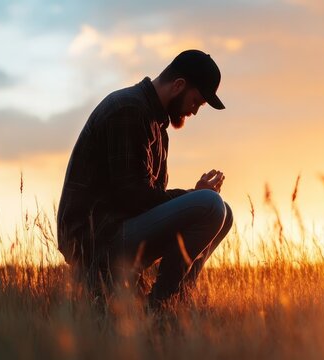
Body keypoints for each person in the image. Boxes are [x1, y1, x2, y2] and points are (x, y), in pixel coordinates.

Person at [57, 49, 233, 306]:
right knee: (210, 205)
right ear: (179, 86)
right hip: (95, 243)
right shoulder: (128, 110)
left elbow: (146, 198)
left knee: (223, 213)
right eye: (196, 101)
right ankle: (161, 304)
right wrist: (193, 197)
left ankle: (177, 299)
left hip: (121, 230)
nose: (194, 111)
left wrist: (192, 197)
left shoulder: (156, 126)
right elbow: (132, 197)